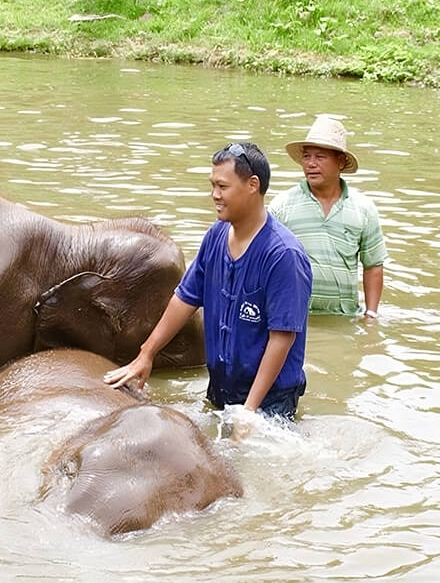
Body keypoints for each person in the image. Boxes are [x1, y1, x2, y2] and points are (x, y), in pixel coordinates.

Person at [105, 142, 312, 421]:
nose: (214, 195)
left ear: (252, 185)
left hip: (270, 398)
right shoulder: (216, 237)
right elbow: (185, 298)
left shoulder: (283, 255)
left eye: (222, 187)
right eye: (212, 185)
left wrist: (249, 413)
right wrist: (146, 354)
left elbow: (282, 338)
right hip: (223, 385)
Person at [269, 116, 388, 319]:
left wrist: (371, 315)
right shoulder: (282, 206)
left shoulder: (363, 209)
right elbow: (264, 260)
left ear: (340, 162)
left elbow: (373, 265)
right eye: (306, 157)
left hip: (344, 316)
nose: (311, 164)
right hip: (295, 316)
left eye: (320, 157)